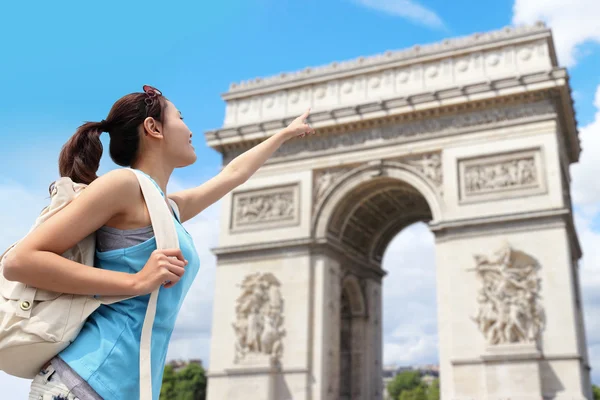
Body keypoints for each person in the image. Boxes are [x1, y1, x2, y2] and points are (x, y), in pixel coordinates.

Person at [2, 85, 314, 400]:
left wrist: (284, 134)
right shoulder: (123, 185)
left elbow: (233, 174)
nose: (190, 130)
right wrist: (136, 281)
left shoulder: (168, 210)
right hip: (80, 385)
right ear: (153, 128)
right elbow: (20, 261)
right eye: (180, 117)